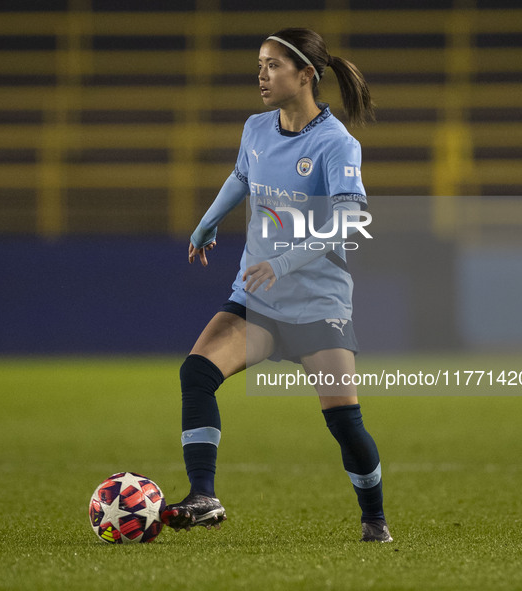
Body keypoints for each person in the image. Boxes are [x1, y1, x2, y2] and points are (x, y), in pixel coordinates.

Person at [160, 28, 392, 542]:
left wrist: (284, 264)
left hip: (316, 306)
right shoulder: (257, 127)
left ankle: (374, 519)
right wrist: (208, 221)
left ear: (306, 75)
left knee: (346, 425)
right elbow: (242, 175)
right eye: (260, 64)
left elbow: (351, 221)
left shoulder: (336, 143)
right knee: (196, 373)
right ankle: (204, 495)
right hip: (258, 300)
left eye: (272, 66)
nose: (261, 75)